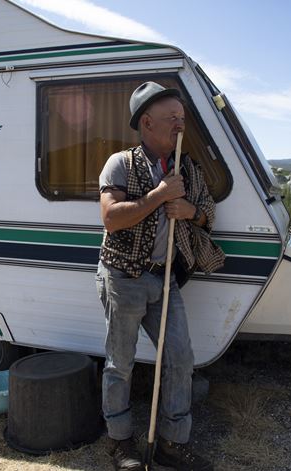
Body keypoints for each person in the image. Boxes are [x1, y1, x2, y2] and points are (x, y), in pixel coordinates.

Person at [96, 81, 221, 471]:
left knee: (181, 359)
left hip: (165, 279)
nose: (181, 126)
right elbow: (111, 219)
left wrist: (190, 212)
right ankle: (121, 444)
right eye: (173, 119)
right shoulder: (120, 163)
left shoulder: (188, 168)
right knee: (120, 364)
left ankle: (171, 444)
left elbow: (208, 215)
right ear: (147, 123)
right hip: (124, 277)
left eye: (183, 119)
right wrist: (160, 196)